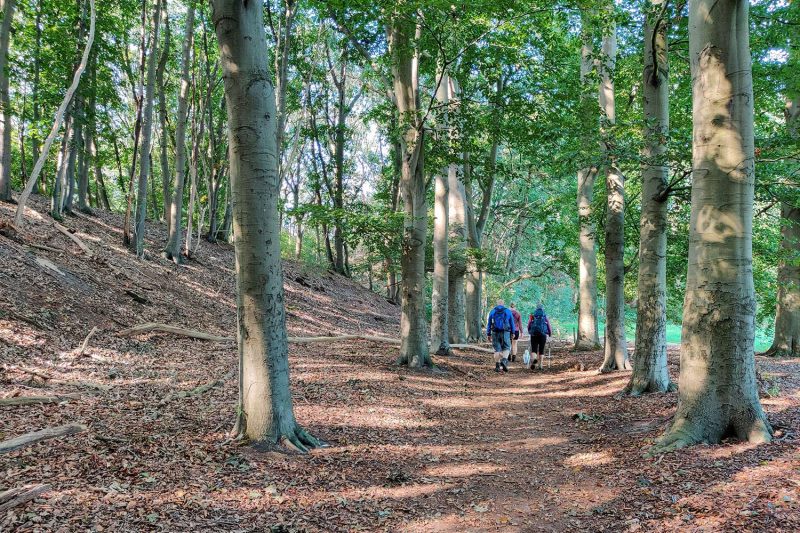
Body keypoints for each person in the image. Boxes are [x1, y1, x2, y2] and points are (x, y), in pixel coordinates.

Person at [487, 299, 517, 373]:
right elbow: (512, 323)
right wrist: (513, 332)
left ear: (497, 304)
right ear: (503, 304)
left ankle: (497, 366)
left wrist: (488, 334)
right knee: (507, 347)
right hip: (505, 332)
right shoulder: (507, 311)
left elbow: (489, 324)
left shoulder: (492, 311)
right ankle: (504, 360)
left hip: (495, 332)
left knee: (497, 349)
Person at [527, 304, 552, 370]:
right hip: (543, 334)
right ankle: (540, 366)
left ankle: (534, 359)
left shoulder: (532, 315)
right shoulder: (545, 315)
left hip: (534, 334)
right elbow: (548, 325)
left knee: (534, 349)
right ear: (542, 308)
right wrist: (550, 334)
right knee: (541, 349)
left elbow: (529, 324)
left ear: (536, 308)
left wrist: (529, 331)